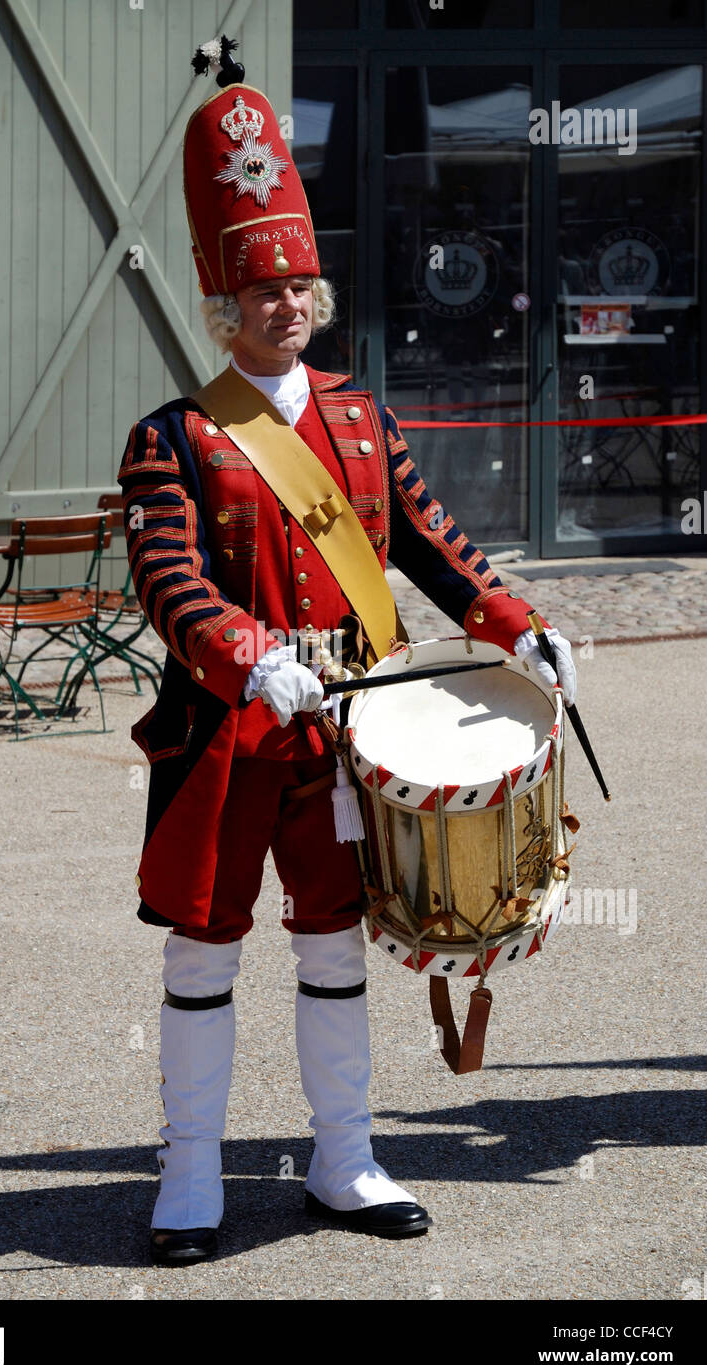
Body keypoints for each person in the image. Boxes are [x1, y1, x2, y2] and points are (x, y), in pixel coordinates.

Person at [118, 40, 576, 1266]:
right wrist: (247, 653)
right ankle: (192, 1174)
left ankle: (344, 1156)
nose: (284, 306)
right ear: (224, 306)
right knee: (202, 950)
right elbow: (167, 580)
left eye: (299, 289)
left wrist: (517, 620)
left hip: (339, 735)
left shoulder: (366, 420)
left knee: (332, 945)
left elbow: (434, 544)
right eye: (260, 292)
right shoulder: (175, 437)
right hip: (227, 732)